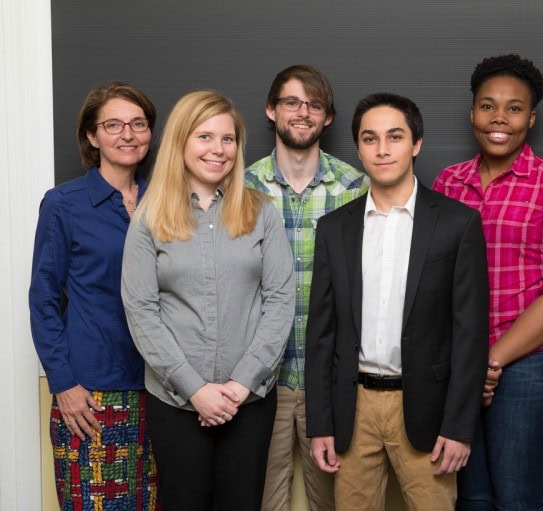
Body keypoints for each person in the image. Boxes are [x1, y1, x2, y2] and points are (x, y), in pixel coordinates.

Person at [305, 92, 489, 510]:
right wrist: (320, 424)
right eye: (370, 139)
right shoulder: (335, 229)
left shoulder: (457, 223)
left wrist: (460, 427)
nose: (382, 149)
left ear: (416, 143)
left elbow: (470, 334)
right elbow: (321, 334)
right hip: (354, 408)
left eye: (394, 136)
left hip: (426, 406)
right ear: (359, 148)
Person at [121, 91, 294, 510]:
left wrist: (238, 386)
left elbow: (280, 301)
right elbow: (141, 310)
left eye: (228, 139)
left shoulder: (263, 213)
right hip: (176, 402)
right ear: (181, 141)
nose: (218, 150)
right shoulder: (148, 218)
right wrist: (196, 389)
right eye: (204, 137)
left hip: (249, 401)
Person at [433, 54, 543, 510]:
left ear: (531, 118)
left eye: (514, 108)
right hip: (460, 365)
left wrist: (492, 360)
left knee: (516, 499)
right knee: (471, 499)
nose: (499, 118)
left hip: (531, 366)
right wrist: (469, 363)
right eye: (488, 106)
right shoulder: (448, 184)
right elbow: (433, 281)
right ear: (472, 113)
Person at [29, 82, 159, 510]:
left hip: (160, 390)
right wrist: (64, 385)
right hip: (90, 393)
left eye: (138, 124)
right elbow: (43, 300)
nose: (128, 134)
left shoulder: (164, 204)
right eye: (114, 125)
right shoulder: (64, 204)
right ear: (92, 136)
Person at [245, 64, 367, 511]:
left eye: (314, 104)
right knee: (263, 501)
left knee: (335, 503)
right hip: (259, 385)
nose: (302, 112)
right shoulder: (241, 188)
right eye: (291, 102)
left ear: (328, 118)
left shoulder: (357, 188)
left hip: (333, 382)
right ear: (271, 110)